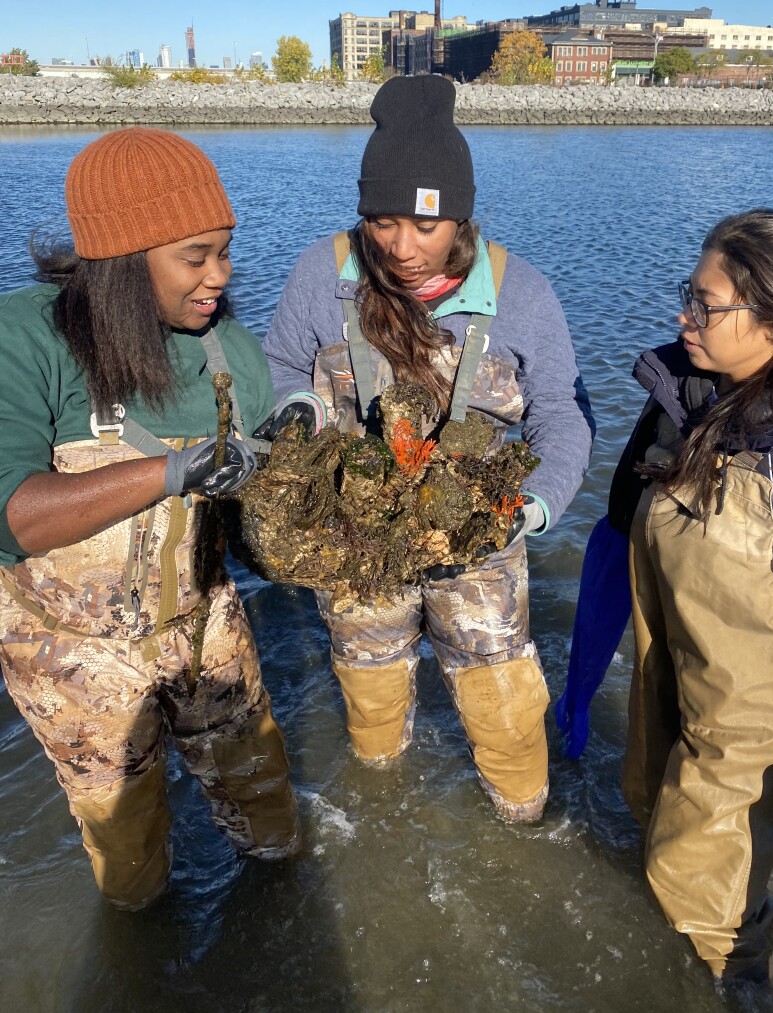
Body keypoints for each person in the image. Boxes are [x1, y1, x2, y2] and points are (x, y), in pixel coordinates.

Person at [262, 75, 593, 823]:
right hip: (355, 537)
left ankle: (523, 823)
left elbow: (564, 420)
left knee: (503, 713)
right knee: (373, 708)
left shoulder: (525, 294)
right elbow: (280, 367)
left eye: (425, 224)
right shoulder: (325, 273)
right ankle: (380, 818)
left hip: (480, 544)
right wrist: (302, 424)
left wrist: (529, 511)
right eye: (382, 220)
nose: (401, 248)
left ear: (462, 218)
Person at [0, 127, 300, 911]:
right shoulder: (29, 336)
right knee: (128, 853)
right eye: (195, 256)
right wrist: (173, 469)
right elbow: (15, 516)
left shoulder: (227, 347)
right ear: (123, 261)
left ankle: (282, 919)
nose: (220, 278)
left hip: (205, 626)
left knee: (268, 809)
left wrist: (295, 481)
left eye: (226, 251)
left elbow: (260, 516)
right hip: (69, 654)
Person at [586, 208, 773, 984]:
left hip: (754, 725)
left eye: (706, 304)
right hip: (669, 674)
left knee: (702, 888)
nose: (685, 315)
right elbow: (619, 523)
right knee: (648, 809)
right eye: (689, 291)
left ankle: (736, 986)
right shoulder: (684, 393)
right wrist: (584, 673)